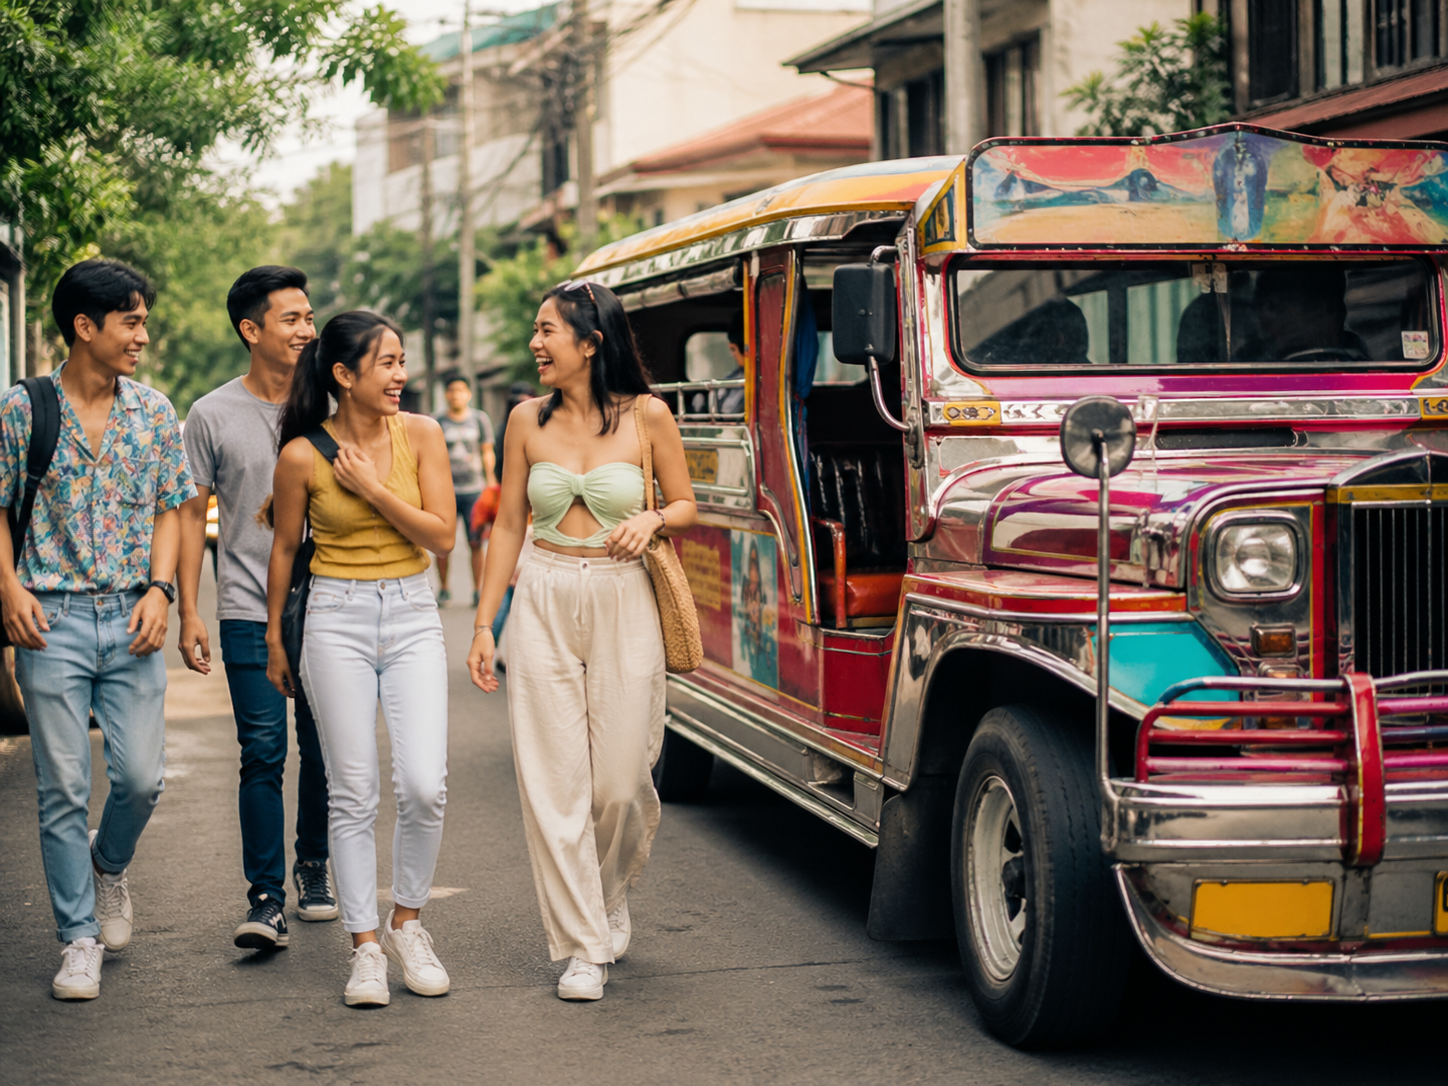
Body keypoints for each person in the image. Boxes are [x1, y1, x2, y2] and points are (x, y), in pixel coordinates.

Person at [467, 280, 697, 1002]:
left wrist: (654, 522)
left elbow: (688, 502)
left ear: (590, 342)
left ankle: (606, 890)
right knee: (552, 780)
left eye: (547, 332)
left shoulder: (648, 417)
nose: (535, 344)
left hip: (623, 595)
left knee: (620, 783)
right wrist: (483, 622)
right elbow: (507, 525)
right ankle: (581, 946)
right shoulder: (524, 421)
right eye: (534, 331)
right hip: (542, 593)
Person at [0, 259, 195, 1000]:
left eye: (143, 321)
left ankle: (108, 866)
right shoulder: (23, 410)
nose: (142, 336)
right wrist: (8, 587)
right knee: (61, 788)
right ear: (85, 327)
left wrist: (162, 590)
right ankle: (77, 938)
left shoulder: (152, 411)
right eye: (131, 322)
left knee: (142, 779)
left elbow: (172, 507)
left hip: (131, 614)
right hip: (51, 619)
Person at [264, 311, 456, 1008]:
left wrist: (372, 487)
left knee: (423, 784)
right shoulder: (300, 455)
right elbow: (284, 550)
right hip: (335, 620)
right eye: (387, 363)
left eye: (402, 361)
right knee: (352, 790)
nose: (401, 376)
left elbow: (443, 538)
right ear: (344, 376)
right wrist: (274, 640)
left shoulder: (423, 436)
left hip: (410, 614)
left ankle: (409, 923)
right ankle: (366, 947)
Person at [178, 265, 338, 954]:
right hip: (246, 606)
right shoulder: (211, 414)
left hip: (333, 602)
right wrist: (188, 608)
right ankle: (266, 899)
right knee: (263, 751)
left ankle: (314, 864)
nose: (307, 329)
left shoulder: (336, 404)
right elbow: (189, 518)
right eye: (292, 319)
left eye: (309, 317)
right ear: (252, 330)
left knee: (328, 748)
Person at [433, 372, 495, 608]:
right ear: (446, 394)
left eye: (461, 390)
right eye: (451, 391)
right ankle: (444, 588)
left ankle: (477, 590)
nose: (456, 395)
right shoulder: (437, 421)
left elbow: (487, 451)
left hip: (474, 490)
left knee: (475, 542)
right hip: (445, 491)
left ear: (468, 394)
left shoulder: (479, 419)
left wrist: (490, 482)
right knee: (442, 543)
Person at [689, 310, 746, 415]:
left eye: (733, 349)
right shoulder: (736, 375)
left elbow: (729, 410)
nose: (732, 354)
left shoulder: (748, 380)